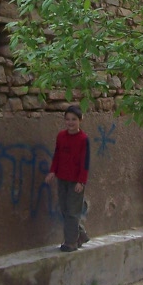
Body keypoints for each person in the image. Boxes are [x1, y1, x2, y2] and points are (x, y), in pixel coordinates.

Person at [45, 105, 90, 252]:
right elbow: (57, 155)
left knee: (73, 211)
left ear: (80, 120)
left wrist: (81, 182)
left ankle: (70, 242)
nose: (70, 122)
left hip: (75, 181)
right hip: (62, 178)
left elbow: (85, 162)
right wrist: (52, 171)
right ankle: (81, 234)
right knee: (65, 209)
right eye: (68, 119)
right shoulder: (61, 136)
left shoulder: (84, 139)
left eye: (74, 119)